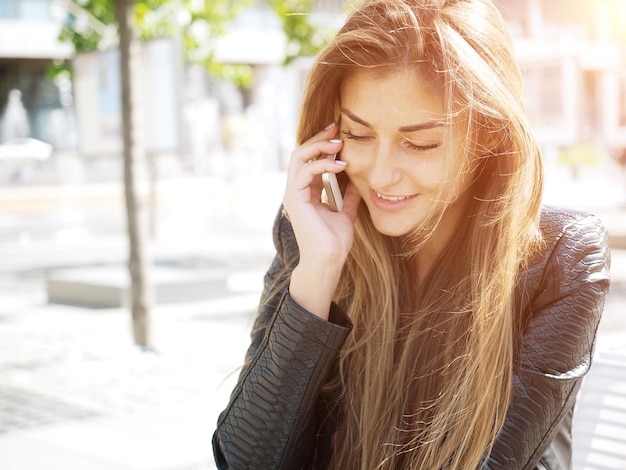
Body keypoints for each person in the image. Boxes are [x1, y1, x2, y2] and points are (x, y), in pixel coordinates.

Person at [213, 0, 611, 468]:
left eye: (420, 143)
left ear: (489, 135)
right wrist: (317, 271)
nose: (381, 175)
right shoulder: (311, 235)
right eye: (358, 135)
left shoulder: (561, 259)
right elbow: (245, 460)